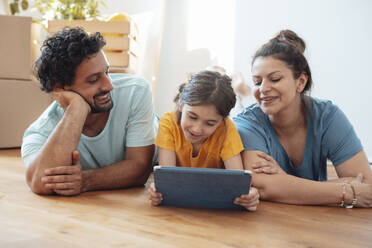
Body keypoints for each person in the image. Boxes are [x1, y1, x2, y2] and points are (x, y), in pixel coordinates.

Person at [233, 30, 372, 208]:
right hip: (268, 225)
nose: (263, 89)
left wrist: (284, 182)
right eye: (257, 82)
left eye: (274, 79)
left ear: (300, 82)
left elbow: (366, 186)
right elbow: (263, 186)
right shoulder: (246, 124)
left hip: (320, 223)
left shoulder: (328, 117)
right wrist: (345, 191)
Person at [21, 27, 155, 196]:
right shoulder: (40, 132)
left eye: (107, 72)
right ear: (60, 89)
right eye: (93, 80)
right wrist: (76, 108)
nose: (109, 85)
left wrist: (86, 180)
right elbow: (39, 182)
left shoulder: (135, 91)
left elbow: (140, 167)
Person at [148, 70, 259, 211]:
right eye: (192, 117)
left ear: (222, 120)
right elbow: (167, 180)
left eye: (210, 124)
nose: (197, 129)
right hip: (178, 208)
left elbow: (237, 183)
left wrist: (248, 195)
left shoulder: (227, 129)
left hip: (216, 210)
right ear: (181, 104)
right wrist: (157, 191)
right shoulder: (168, 123)